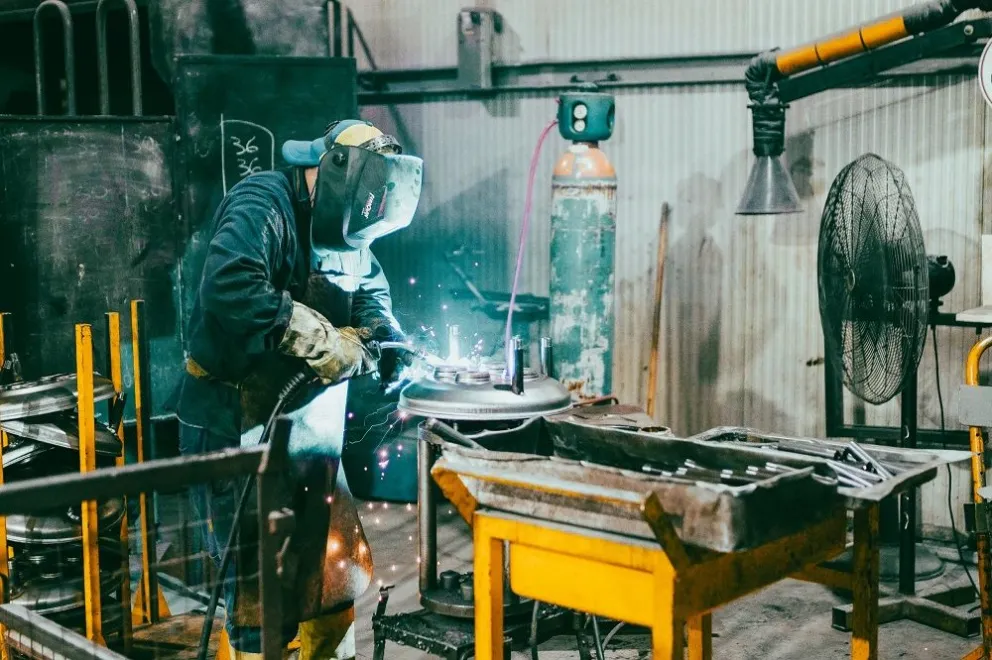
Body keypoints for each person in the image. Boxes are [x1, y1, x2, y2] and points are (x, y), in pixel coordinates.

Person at [176, 119, 423, 659]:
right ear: (335, 176)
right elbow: (229, 285)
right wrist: (317, 337)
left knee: (332, 581)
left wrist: (385, 336)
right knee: (262, 599)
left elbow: (369, 290)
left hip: (311, 435)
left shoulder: (347, 229)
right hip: (234, 423)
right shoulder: (263, 205)